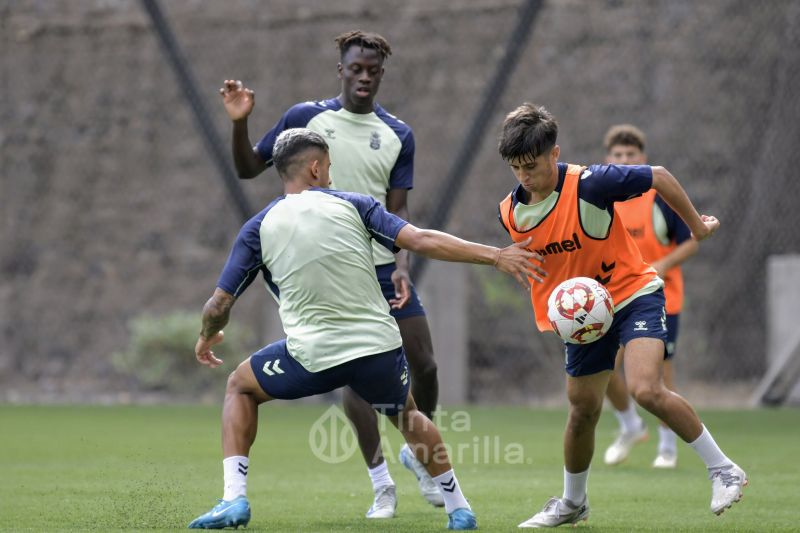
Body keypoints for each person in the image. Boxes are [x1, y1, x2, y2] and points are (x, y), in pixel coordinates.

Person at [187, 128, 545, 530]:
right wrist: (496, 255)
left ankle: (233, 499)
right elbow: (422, 239)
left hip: (311, 357)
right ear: (316, 167)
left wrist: (206, 334)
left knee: (239, 385)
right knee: (409, 416)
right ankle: (458, 508)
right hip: (378, 351)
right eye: (329, 167)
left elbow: (219, 304)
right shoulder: (356, 205)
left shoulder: (258, 226)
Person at [219, 30, 445, 515]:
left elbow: (398, 210)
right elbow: (247, 168)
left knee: (424, 363)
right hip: (333, 266)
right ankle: (381, 482)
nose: (364, 77)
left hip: (384, 265)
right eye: (356, 68)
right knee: (356, 374)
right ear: (340, 70)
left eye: (373, 70)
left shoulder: (398, 134)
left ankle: (420, 456)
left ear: (382, 74)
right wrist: (241, 123)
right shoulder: (305, 119)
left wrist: (403, 264)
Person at [494, 104, 747, 528]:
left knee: (647, 388)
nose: (524, 176)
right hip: (586, 315)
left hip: (634, 293)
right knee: (582, 410)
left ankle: (724, 469)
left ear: (555, 154)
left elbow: (660, 175)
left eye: (532, 166)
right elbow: (548, 257)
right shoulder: (510, 212)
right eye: (516, 167)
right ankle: (573, 503)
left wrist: (697, 228)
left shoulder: (593, 182)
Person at [601, 125, 699, 469]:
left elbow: (692, 238)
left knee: (658, 377)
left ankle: (667, 445)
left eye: (631, 156)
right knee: (601, 370)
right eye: (618, 156)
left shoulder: (660, 197)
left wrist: (662, 264)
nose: (625, 161)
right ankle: (630, 425)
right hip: (612, 298)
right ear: (608, 159)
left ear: (642, 159)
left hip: (660, 298)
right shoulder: (603, 198)